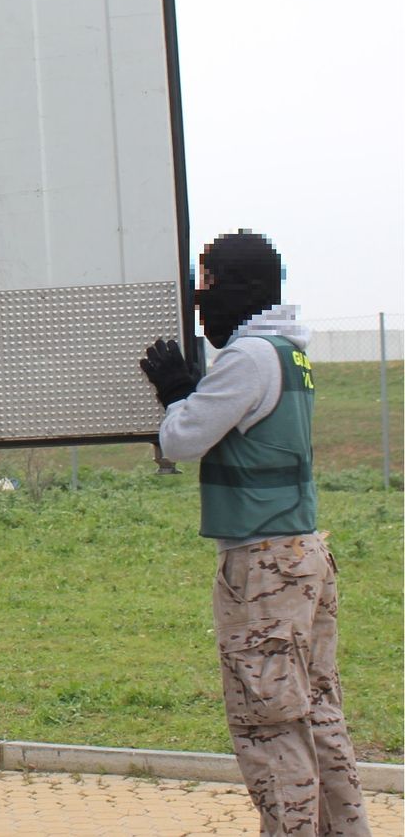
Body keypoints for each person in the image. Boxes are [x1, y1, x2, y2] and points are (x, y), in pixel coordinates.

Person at [139, 232, 370, 837]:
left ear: (240, 286)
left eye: (208, 281)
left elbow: (183, 439)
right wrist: (193, 394)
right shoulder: (289, 353)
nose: (199, 295)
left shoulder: (248, 358)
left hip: (265, 568)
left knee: (269, 724)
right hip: (305, 554)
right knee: (317, 714)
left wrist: (173, 396)